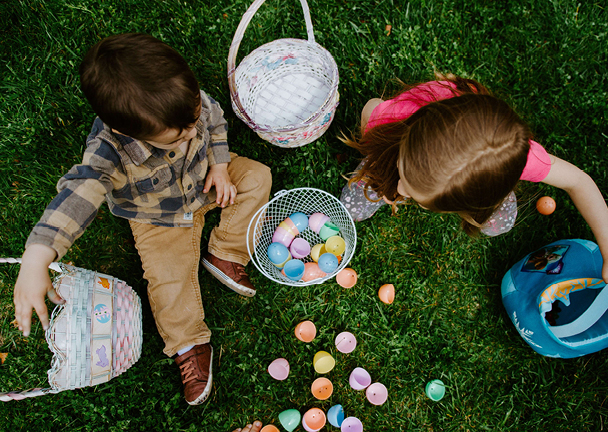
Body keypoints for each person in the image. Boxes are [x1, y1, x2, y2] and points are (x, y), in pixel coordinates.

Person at [12, 33, 272, 405]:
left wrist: (219, 165)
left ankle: (225, 252)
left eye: (190, 126)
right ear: (122, 130)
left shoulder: (186, 103)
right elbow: (79, 193)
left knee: (258, 177)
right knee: (168, 282)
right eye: (174, 141)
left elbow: (214, 124)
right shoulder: (108, 153)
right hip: (157, 218)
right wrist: (37, 256)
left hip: (206, 183)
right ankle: (188, 343)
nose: (186, 140)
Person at [340, 74, 608, 281]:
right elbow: (371, 108)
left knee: (496, 223)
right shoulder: (394, 118)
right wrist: (380, 156)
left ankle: (483, 194)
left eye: (411, 191)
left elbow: (578, 181)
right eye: (405, 174)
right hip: (403, 135)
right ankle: (385, 169)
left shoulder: (521, 159)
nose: (399, 188)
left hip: (481, 175)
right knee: (363, 192)